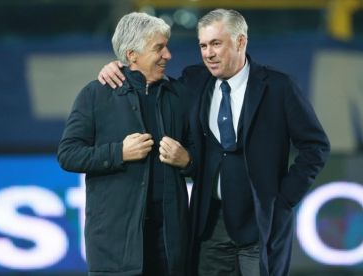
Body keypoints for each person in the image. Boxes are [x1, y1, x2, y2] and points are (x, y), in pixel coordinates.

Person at [98, 9, 330, 276]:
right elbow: (149, 82)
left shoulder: (278, 87)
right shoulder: (194, 81)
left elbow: (316, 146)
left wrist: (284, 199)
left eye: (216, 44)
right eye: (203, 45)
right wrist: (120, 68)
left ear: (240, 42)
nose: (208, 53)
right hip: (209, 226)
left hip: (260, 223)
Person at [58, 12, 193, 276]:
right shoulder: (96, 94)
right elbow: (68, 154)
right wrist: (118, 152)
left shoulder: (179, 95)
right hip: (115, 249)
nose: (168, 55)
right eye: (159, 48)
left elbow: (202, 155)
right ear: (132, 55)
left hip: (170, 245)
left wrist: (188, 159)